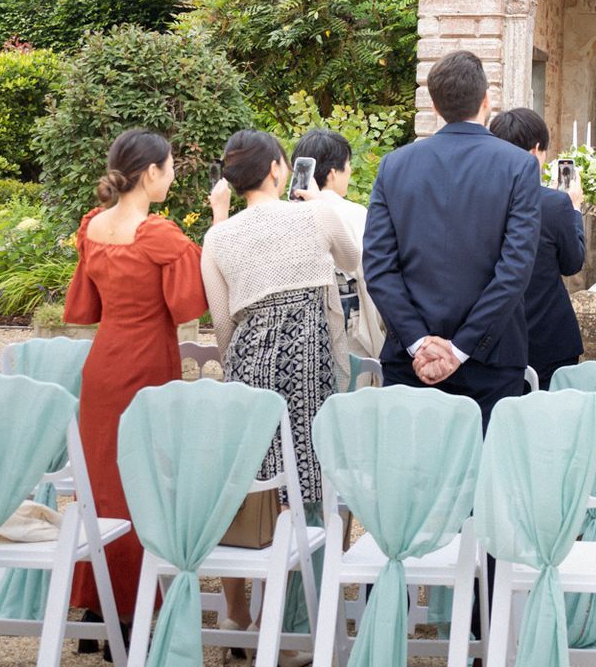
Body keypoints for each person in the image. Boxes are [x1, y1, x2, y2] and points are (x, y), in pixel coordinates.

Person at [201, 128, 358, 638]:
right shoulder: (311, 213)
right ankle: (298, 627)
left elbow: (222, 324)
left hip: (248, 361)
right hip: (308, 355)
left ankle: (245, 611)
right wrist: (321, 200)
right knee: (309, 484)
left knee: (254, 484)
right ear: (277, 170)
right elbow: (354, 258)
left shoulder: (218, 235)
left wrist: (244, 365)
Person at [64, 129, 208, 648]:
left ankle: (94, 611)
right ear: (150, 173)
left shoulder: (93, 227)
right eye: (170, 167)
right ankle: (127, 615)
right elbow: (190, 304)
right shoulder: (157, 234)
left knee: (100, 487)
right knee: (137, 488)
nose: (172, 176)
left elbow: (89, 308)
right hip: (146, 362)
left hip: (102, 366)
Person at [363, 50, 541, 426]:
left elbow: (378, 268)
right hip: (489, 361)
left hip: (412, 360)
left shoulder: (395, 165)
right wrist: (460, 349)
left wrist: (419, 343)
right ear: (486, 99)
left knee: (413, 477)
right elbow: (515, 269)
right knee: (482, 478)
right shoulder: (518, 165)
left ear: (434, 103)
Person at [488, 106, 587, 388]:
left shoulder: (479, 200)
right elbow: (572, 263)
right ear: (534, 151)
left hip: (493, 335)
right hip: (549, 333)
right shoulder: (555, 204)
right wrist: (574, 208)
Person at [292, 126, 385, 359]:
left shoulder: (284, 213)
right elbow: (371, 270)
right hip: (347, 320)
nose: (350, 171)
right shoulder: (353, 213)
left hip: (297, 324)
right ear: (333, 173)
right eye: (348, 165)